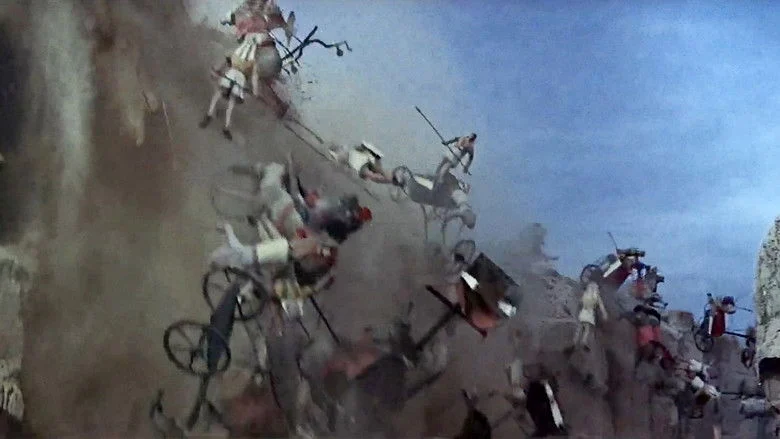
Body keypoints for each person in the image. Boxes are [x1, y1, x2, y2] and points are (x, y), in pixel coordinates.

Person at [199, 32, 269, 141]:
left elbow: (254, 77)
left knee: (223, 98)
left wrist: (217, 70)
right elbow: (253, 77)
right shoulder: (248, 60)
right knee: (223, 98)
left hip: (235, 78)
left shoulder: (242, 57)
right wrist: (255, 91)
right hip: (235, 78)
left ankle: (219, 122)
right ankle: (215, 119)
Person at [327, 141, 395, 184]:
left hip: (358, 163)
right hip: (361, 160)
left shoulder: (345, 155)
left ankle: (392, 179)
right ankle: (393, 179)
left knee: (374, 174)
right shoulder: (349, 151)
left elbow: (343, 162)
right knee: (378, 172)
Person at [572, 281, 608, 352]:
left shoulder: (586, 294)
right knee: (587, 329)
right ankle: (583, 341)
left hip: (583, 313)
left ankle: (574, 341)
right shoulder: (597, 296)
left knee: (579, 328)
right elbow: (601, 306)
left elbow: (580, 303)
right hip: (589, 314)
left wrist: (577, 312)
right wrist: (604, 314)